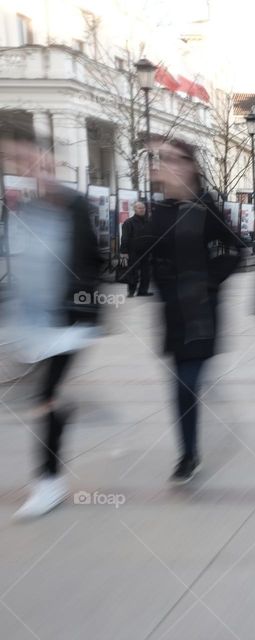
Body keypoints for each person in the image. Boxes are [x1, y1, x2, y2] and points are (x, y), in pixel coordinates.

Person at [8, 139, 102, 519]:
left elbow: (95, 259)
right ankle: (64, 409)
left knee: (43, 396)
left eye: (38, 163)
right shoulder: (25, 208)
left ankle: (48, 484)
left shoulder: (74, 206)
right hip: (34, 322)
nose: (32, 170)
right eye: (24, 164)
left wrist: (82, 303)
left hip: (69, 321)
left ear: (51, 165)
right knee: (43, 396)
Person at [139, 138, 240, 484]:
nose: (161, 165)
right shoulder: (160, 210)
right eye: (160, 160)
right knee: (181, 382)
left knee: (186, 381)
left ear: (186, 166)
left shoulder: (205, 206)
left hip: (200, 310)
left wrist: (210, 282)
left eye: (167, 159)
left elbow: (233, 250)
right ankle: (189, 449)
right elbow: (153, 255)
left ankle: (188, 455)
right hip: (172, 312)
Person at [120, 201, 153, 296]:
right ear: (135, 209)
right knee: (132, 272)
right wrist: (124, 251)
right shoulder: (129, 222)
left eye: (143, 208)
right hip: (133, 251)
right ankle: (131, 291)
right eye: (139, 208)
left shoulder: (148, 222)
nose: (142, 209)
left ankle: (143, 291)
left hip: (146, 251)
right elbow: (125, 237)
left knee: (146, 273)